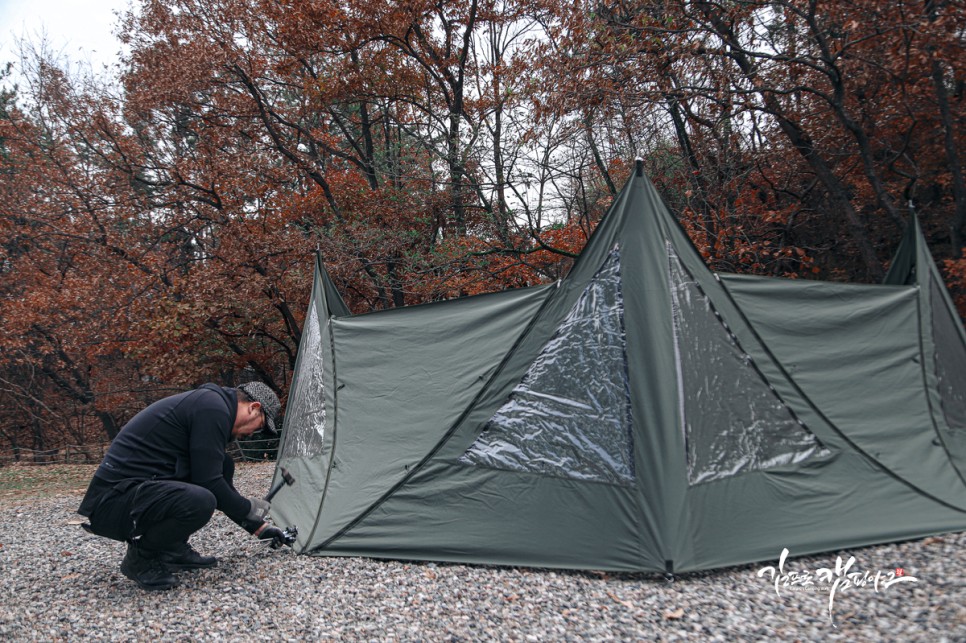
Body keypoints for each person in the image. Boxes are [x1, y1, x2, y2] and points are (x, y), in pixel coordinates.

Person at [78, 381, 286, 591]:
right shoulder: (213, 409)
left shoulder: (212, 406)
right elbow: (209, 483)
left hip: (128, 496)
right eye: (259, 427)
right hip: (111, 502)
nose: (252, 434)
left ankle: (172, 550)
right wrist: (248, 509)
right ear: (254, 407)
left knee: (223, 464)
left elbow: (217, 481)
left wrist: (258, 527)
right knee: (200, 501)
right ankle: (140, 559)